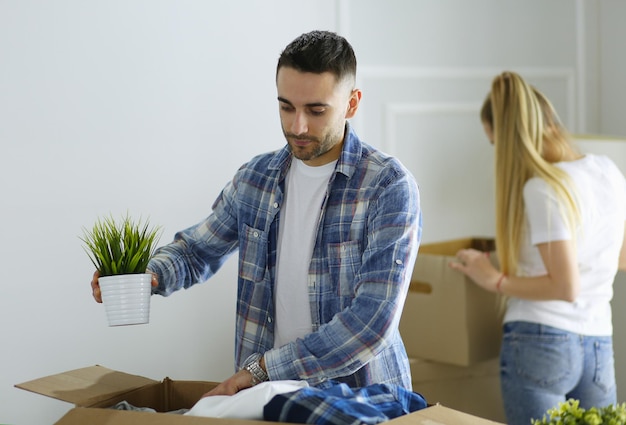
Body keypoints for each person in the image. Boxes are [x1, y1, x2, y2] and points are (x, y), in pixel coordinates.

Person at [91, 30, 421, 397]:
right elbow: (196, 251)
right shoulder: (256, 179)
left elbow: (371, 322)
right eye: (286, 107)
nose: (297, 127)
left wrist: (263, 369)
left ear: (352, 103)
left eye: (316, 110)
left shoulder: (388, 187)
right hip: (267, 402)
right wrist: (148, 275)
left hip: (362, 405)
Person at [449, 71, 626, 425]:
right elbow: (621, 258)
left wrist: (492, 278)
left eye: (495, 142)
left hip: (539, 341)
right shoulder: (607, 170)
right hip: (597, 344)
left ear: (510, 137)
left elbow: (564, 286)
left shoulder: (542, 188)